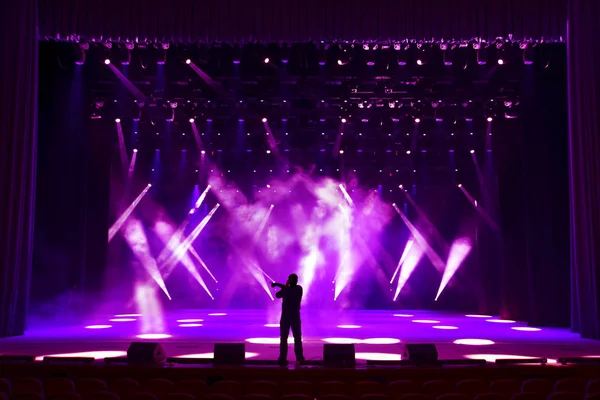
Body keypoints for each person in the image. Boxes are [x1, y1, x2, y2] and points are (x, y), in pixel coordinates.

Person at [271, 273, 305, 365]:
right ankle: (299, 358)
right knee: (296, 338)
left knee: (284, 338)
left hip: (287, 316)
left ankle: (283, 358)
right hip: (294, 316)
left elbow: (277, 295)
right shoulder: (299, 289)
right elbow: (279, 294)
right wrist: (281, 285)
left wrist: (278, 284)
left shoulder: (288, 290)